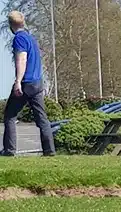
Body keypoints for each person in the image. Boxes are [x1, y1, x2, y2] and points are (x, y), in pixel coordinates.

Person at [3, 11, 54, 158]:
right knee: (42, 118)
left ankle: (9, 150)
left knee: (10, 116)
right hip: (38, 82)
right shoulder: (31, 38)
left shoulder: (19, 39)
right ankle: (49, 151)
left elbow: (22, 59)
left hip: (26, 83)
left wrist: (18, 82)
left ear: (10, 25)